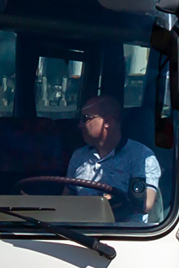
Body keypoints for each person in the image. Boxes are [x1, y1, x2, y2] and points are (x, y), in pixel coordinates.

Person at [66, 95, 160, 223]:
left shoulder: (141, 157)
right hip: (81, 231)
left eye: (85, 119)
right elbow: (66, 198)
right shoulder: (79, 156)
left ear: (107, 122)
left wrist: (114, 201)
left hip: (124, 235)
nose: (79, 125)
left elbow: (145, 204)